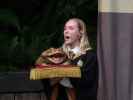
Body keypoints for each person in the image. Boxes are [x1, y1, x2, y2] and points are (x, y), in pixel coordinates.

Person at [62, 18, 98, 100]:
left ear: (80, 33)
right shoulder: (58, 56)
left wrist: (63, 78)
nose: (66, 31)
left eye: (71, 28)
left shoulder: (89, 56)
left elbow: (87, 83)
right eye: (65, 28)